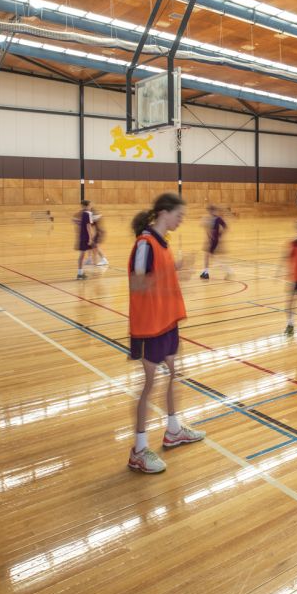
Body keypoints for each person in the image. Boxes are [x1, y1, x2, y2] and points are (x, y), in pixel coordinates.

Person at [126, 193, 204, 474]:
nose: (181, 220)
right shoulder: (145, 244)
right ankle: (138, 450)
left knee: (174, 374)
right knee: (148, 387)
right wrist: (169, 272)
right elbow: (137, 284)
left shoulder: (163, 243)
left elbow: (159, 278)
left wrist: (175, 270)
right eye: (179, 215)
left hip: (167, 321)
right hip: (149, 327)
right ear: (163, 213)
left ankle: (173, 431)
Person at [200, 204, 231, 280]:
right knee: (208, 256)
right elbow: (207, 229)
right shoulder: (210, 218)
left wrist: (220, 234)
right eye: (209, 211)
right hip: (211, 240)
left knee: (211, 257)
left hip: (214, 240)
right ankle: (205, 272)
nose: (210, 212)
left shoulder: (218, 219)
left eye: (211, 210)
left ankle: (228, 271)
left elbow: (225, 227)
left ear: (214, 211)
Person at [74, 199, 96, 280]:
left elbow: (76, 220)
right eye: (90, 205)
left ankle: (80, 272)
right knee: (82, 254)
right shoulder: (88, 213)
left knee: (82, 254)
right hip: (86, 236)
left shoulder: (82, 213)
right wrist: (91, 238)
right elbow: (88, 226)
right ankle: (80, 274)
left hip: (82, 236)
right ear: (87, 206)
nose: (91, 207)